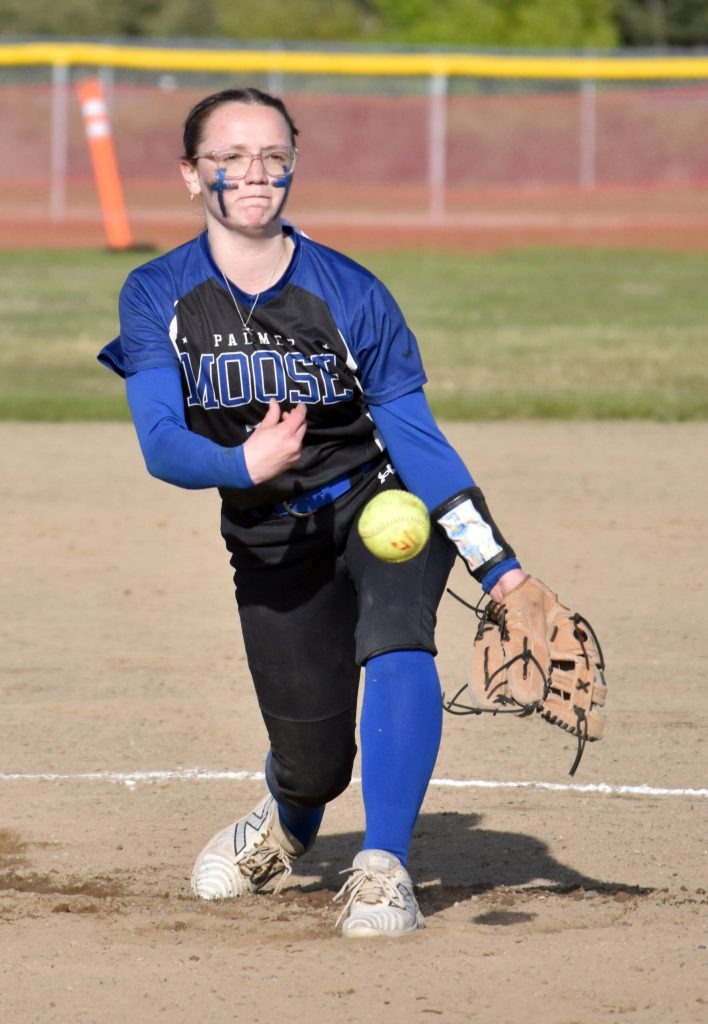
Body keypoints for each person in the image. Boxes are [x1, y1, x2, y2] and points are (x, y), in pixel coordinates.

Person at [98, 87, 527, 939]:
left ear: (292, 164)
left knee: (400, 635)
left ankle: (383, 868)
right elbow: (158, 441)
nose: (254, 174)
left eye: (273, 155)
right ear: (192, 175)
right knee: (315, 760)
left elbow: (420, 441)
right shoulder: (159, 294)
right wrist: (241, 463)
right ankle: (288, 820)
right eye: (229, 157)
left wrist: (501, 567)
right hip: (267, 536)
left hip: (379, 506)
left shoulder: (351, 291)